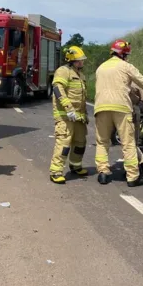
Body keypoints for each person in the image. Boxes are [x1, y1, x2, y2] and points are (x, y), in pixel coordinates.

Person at [94, 40, 143, 187]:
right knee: (128, 143)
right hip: (121, 107)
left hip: (101, 107)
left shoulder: (100, 68)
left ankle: (103, 172)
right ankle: (133, 176)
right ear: (124, 54)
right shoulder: (126, 66)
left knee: (102, 141)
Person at [49, 46, 89, 184]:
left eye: (82, 60)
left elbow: (82, 98)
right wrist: (68, 108)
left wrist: (85, 114)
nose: (81, 63)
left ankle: (75, 165)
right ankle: (56, 171)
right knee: (64, 143)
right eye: (79, 60)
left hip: (79, 116)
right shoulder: (63, 71)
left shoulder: (80, 75)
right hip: (65, 116)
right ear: (72, 60)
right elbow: (57, 89)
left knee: (80, 142)